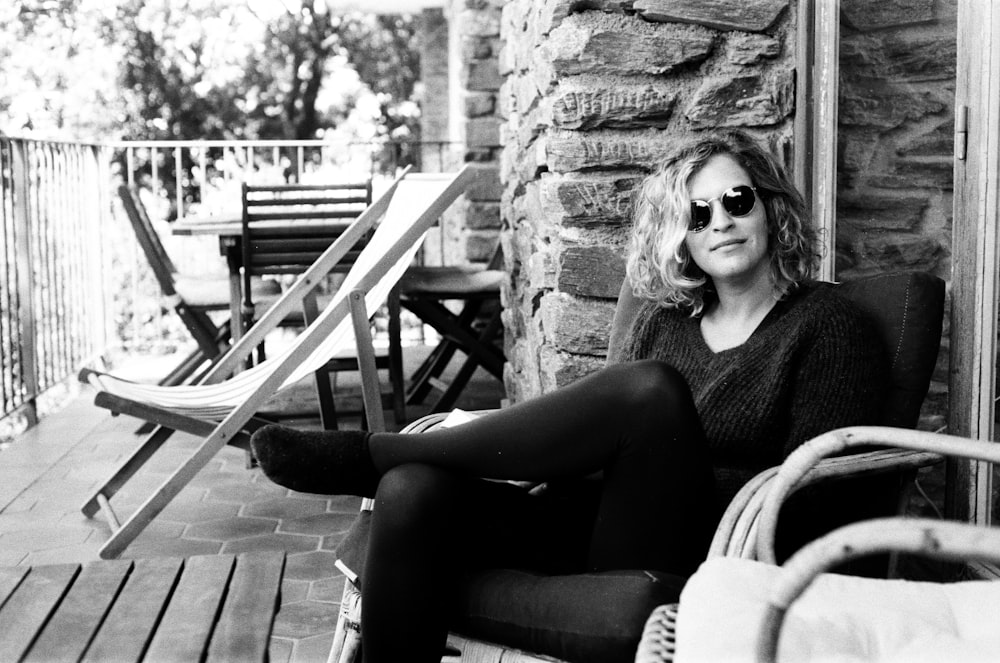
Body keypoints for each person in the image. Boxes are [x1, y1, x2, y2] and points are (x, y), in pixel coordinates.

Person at [249, 130, 889, 662]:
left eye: (736, 201)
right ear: (682, 235)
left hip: (711, 546)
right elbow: (604, 452)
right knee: (413, 488)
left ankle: (371, 450)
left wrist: (694, 478)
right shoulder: (663, 324)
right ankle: (392, 463)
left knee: (650, 392)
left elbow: (815, 505)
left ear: (770, 209)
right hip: (599, 522)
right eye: (698, 213)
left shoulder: (828, 324)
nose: (719, 221)